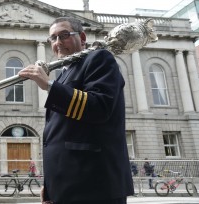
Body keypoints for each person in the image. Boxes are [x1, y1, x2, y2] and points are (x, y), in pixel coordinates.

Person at [18, 17, 134, 204]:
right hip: (68, 187)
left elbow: (99, 108)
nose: (58, 43)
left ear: (82, 37)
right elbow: (61, 136)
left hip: (94, 186)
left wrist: (49, 85)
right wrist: (50, 187)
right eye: (53, 38)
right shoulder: (66, 73)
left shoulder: (99, 58)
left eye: (64, 35)